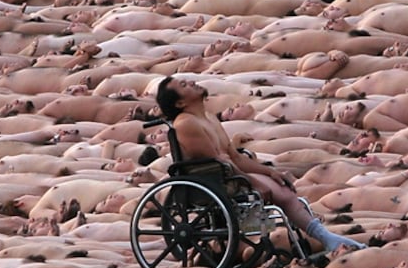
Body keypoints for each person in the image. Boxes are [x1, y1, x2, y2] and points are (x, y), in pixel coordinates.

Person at [154, 77, 365, 254]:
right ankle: (325, 238)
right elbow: (218, 162)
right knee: (282, 195)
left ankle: (324, 238)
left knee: (283, 187)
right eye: (184, 86)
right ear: (180, 103)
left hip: (226, 172)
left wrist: (269, 172)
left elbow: (234, 157)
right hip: (213, 179)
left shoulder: (209, 118)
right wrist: (253, 181)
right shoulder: (186, 123)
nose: (191, 83)